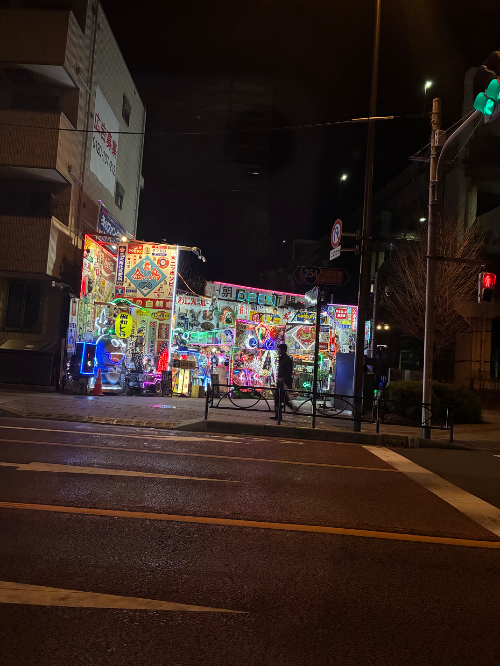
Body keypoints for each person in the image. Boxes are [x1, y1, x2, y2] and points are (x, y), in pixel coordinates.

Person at [271, 343, 294, 419]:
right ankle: (278, 415)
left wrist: (283, 379)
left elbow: (288, 371)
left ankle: (279, 415)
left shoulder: (286, 359)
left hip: (283, 382)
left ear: (283, 350)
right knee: (280, 398)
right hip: (281, 381)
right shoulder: (282, 358)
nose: (278, 351)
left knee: (279, 398)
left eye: (280, 350)